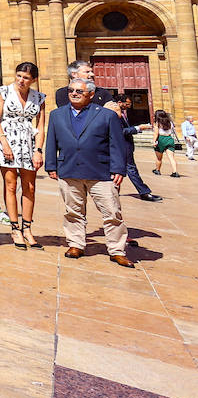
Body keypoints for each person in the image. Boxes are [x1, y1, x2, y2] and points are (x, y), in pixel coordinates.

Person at [44, 79, 133, 268]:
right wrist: (51, 164)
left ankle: (117, 250)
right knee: (73, 211)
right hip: (69, 169)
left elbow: (117, 144)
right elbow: (51, 140)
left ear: (91, 95)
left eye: (79, 91)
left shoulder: (107, 115)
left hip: (100, 171)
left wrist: (118, 168)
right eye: (71, 90)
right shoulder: (56, 114)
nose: (74, 93)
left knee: (112, 212)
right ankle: (76, 244)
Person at [0, 61, 47, 250]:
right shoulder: (3, 92)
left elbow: (40, 126)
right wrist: (4, 143)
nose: (21, 80)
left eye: (26, 78)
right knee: (11, 185)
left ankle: (28, 228)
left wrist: (38, 150)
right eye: (19, 76)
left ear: (33, 80)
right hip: (8, 141)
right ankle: (15, 228)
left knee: (30, 186)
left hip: (29, 143)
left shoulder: (39, 97)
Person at [116, 98, 161, 202]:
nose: (129, 106)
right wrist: (138, 128)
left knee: (121, 170)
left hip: (125, 146)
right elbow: (120, 131)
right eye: (127, 104)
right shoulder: (115, 115)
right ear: (119, 103)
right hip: (122, 147)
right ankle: (144, 192)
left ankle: (111, 192)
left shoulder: (122, 114)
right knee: (131, 169)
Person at [151, 110, 182, 177]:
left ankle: (157, 170)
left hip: (161, 139)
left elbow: (156, 133)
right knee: (171, 158)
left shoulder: (157, 123)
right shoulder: (170, 122)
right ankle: (175, 172)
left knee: (159, 158)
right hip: (169, 139)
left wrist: (154, 141)